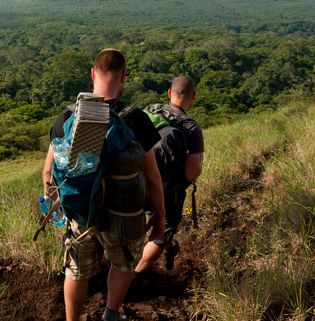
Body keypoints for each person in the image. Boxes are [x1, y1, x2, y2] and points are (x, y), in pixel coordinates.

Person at [42, 48, 165, 321]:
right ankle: (111, 314)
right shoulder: (135, 119)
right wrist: (160, 217)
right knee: (123, 264)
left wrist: (54, 207)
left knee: (76, 270)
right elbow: (154, 180)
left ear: (92, 74)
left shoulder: (66, 117)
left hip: (80, 212)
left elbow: (48, 170)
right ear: (123, 77)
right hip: (122, 216)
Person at [134, 75, 204, 275]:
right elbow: (192, 172)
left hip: (134, 182)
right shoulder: (190, 127)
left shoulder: (147, 112)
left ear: (169, 93)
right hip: (165, 193)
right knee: (162, 234)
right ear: (194, 96)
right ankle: (133, 276)